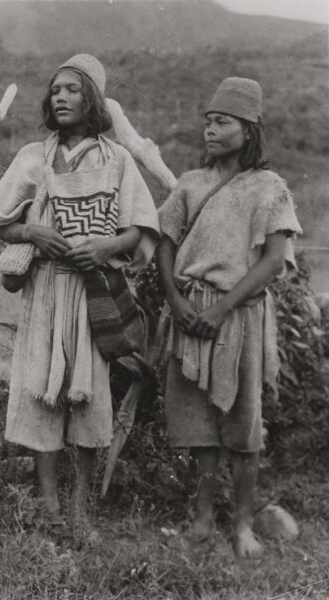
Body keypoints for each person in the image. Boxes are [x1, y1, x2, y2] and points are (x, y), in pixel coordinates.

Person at [0, 54, 160, 541]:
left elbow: (140, 228)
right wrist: (34, 234)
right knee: (42, 391)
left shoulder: (116, 159)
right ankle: (50, 508)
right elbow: (1, 225)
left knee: (88, 395)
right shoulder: (34, 156)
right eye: (54, 89)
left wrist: (105, 246)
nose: (60, 96)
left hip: (92, 294)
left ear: (93, 100)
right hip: (44, 289)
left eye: (72, 90)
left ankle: (80, 508)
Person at [156, 77, 302, 558]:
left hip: (236, 316)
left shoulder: (268, 187)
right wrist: (177, 301)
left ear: (249, 128)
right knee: (198, 423)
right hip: (190, 313)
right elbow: (165, 242)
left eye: (222, 123)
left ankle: (241, 525)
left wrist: (220, 308)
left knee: (241, 424)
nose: (210, 131)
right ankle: (200, 521)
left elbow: (273, 260)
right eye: (207, 123)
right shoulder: (190, 183)